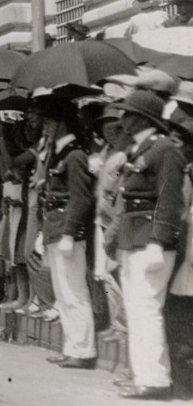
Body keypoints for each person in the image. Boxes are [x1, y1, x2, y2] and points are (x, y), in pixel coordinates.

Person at [106, 88, 186, 399]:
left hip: (151, 243)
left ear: (142, 118)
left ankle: (155, 381)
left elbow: (170, 200)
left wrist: (158, 241)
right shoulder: (142, 150)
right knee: (137, 311)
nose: (122, 118)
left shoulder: (164, 150)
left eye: (128, 113)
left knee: (147, 310)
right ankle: (145, 378)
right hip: (133, 241)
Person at [38, 101, 98, 371]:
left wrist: (70, 233)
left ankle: (83, 350)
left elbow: (81, 199)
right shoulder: (60, 153)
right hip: (55, 227)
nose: (45, 127)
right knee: (63, 293)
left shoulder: (74, 156)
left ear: (61, 123)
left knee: (74, 291)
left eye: (49, 122)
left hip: (67, 231)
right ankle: (72, 347)